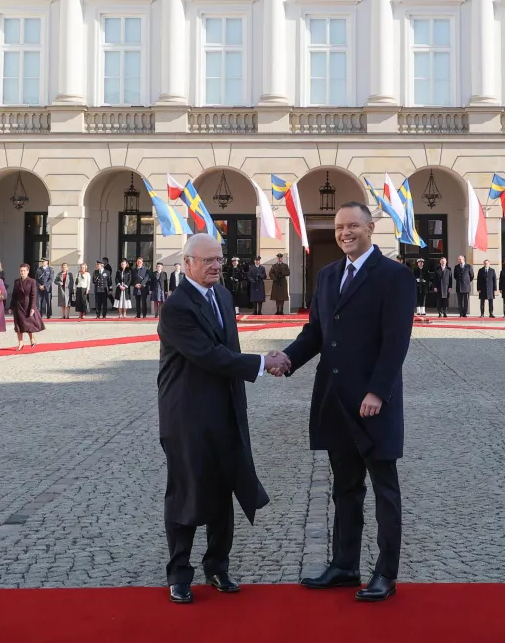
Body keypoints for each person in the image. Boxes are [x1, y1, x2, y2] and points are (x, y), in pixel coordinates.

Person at [273, 202, 415, 603]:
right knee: (345, 489)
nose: (345, 232)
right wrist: (287, 359)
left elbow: (395, 342)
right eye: (339, 227)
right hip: (335, 400)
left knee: (385, 489)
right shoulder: (328, 275)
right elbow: (316, 332)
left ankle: (386, 573)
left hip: (373, 403)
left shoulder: (394, 276)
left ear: (371, 227)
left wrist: (377, 391)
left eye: (353, 225)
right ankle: (344, 565)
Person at [158, 231, 283, 604]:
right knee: (186, 490)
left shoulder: (224, 296)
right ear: (187, 264)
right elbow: (209, 354)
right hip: (187, 413)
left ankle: (218, 566)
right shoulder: (177, 306)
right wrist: (263, 363)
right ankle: (179, 573)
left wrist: (249, 372)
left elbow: (230, 349)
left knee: (225, 486)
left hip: (226, 407)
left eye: (219, 259)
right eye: (207, 260)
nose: (216, 266)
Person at [10, 263, 45, 351]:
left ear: (28, 271)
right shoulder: (16, 282)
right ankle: (20, 342)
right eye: (21, 271)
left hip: (27, 305)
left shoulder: (32, 281)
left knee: (28, 324)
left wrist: (32, 307)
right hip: (18, 306)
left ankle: (31, 338)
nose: (22, 272)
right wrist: (11, 307)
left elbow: (33, 295)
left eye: (24, 271)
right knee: (18, 325)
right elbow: (14, 295)